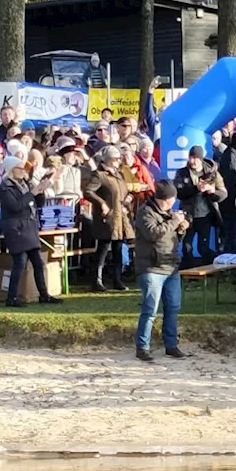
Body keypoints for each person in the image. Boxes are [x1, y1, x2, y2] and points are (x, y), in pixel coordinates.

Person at [133, 180, 190, 361]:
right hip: (151, 267)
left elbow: (171, 236)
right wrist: (174, 221)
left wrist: (181, 229)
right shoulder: (145, 212)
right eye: (173, 198)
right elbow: (153, 233)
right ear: (167, 199)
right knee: (150, 309)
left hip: (171, 266)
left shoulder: (168, 213)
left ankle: (171, 345)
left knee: (173, 307)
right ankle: (142, 347)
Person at [0, 156, 63, 308]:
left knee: (38, 263)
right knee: (19, 263)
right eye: (19, 168)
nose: (23, 171)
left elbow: (37, 203)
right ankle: (11, 297)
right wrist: (32, 192)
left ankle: (44, 295)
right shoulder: (5, 188)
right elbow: (16, 206)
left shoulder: (24, 185)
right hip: (16, 228)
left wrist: (40, 191)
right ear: (11, 169)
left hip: (28, 227)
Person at [83, 146, 135, 292]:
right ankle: (96, 280)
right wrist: (102, 204)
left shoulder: (119, 174)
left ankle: (117, 280)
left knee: (118, 249)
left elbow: (124, 191)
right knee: (103, 249)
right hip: (107, 218)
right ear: (108, 159)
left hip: (120, 217)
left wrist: (129, 198)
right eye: (116, 158)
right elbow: (88, 192)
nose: (119, 160)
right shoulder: (99, 175)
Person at [172, 146, 227, 268]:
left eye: (195, 158)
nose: (192, 161)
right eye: (191, 157)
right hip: (188, 215)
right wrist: (196, 189)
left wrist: (212, 192)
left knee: (204, 248)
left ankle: (213, 267)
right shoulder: (182, 172)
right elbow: (179, 193)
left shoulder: (212, 173)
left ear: (201, 159)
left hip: (205, 215)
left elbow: (223, 193)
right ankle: (189, 271)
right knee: (186, 246)